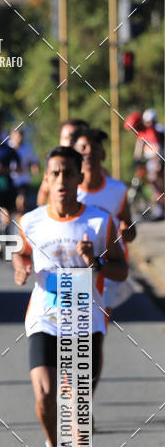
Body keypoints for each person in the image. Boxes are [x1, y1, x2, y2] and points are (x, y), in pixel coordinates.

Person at [12, 145, 127, 447]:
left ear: (80, 177)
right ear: (46, 178)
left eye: (68, 173)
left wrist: (98, 263)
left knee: (76, 398)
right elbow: (21, 254)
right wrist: (21, 267)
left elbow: (122, 270)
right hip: (44, 316)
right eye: (55, 173)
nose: (61, 180)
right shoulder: (31, 220)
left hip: (84, 316)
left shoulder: (99, 221)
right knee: (46, 395)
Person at [72, 126, 136, 314]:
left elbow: (130, 229)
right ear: (74, 154)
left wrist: (127, 232)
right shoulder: (67, 190)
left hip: (107, 268)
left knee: (98, 327)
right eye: (83, 148)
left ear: (103, 153)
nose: (89, 152)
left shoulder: (117, 189)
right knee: (78, 326)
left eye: (94, 147)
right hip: (78, 268)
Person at [36, 118, 89, 206]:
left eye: (73, 138)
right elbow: (43, 193)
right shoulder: (54, 167)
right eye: (65, 138)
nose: (69, 143)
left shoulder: (94, 172)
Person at [133, 109, 164, 220]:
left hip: (158, 161)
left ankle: (160, 211)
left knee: (159, 186)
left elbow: (161, 147)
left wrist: (160, 162)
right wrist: (136, 159)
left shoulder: (159, 130)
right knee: (153, 186)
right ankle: (159, 211)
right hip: (150, 161)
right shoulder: (145, 131)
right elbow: (140, 144)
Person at [8, 127, 39, 215]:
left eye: (21, 136)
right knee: (9, 207)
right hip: (9, 180)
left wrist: (34, 167)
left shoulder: (27, 148)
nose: (19, 138)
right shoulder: (7, 148)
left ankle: (19, 223)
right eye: (17, 136)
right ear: (11, 136)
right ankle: (6, 224)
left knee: (21, 202)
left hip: (23, 180)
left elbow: (34, 160)